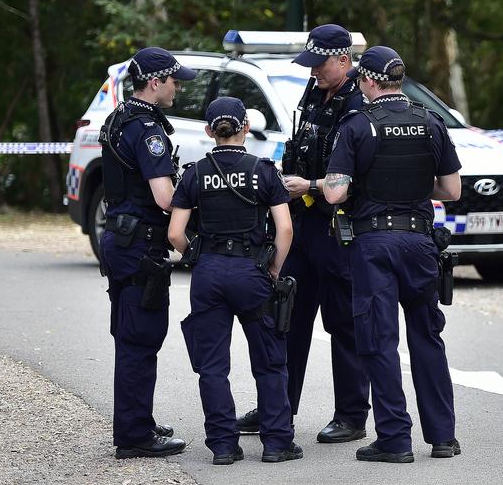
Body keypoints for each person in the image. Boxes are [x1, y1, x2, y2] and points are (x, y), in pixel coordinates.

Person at [324, 46, 462, 463]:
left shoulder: (357, 125)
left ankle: (395, 440)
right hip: (421, 243)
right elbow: (452, 190)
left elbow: (334, 192)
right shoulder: (431, 122)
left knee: (378, 341)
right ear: (398, 79)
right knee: (427, 338)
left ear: (367, 80)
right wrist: (417, 189)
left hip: (374, 246)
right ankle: (442, 437)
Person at [236, 23, 370, 444]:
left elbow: (364, 177)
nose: (312, 71)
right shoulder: (314, 94)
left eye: (320, 63)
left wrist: (311, 187)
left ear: (343, 60)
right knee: (286, 317)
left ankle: (350, 415)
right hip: (304, 224)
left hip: (338, 227)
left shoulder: (361, 104)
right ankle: (278, 408)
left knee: (344, 323)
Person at [168, 97, 302, 464]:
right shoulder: (264, 170)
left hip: (209, 272)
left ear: (209, 131)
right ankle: (277, 444)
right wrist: (273, 269)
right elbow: (285, 228)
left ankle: (224, 446)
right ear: (245, 127)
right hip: (252, 273)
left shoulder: (195, 173)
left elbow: (176, 233)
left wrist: (198, 256)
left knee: (212, 365)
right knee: (270, 361)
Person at [98, 47, 197, 459]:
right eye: (175, 81)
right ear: (155, 81)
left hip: (119, 239)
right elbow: (163, 197)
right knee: (141, 338)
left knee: (129, 334)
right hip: (140, 243)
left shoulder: (118, 118)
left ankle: (137, 420)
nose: (178, 88)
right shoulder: (147, 129)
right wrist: (197, 200)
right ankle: (136, 435)